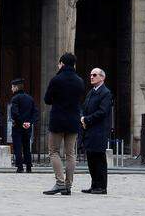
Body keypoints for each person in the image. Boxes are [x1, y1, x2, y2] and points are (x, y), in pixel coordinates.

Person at [43, 53, 84, 196]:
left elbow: (47, 99)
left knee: (53, 151)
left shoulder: (56, 80)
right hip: (73, 120)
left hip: (58, 120)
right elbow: (80, 99)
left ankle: (60, 182)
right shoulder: (79, 81)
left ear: (62, 63)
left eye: (59, 63)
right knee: (70, 154)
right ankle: (68, 185)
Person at [81, 68, 113, 195]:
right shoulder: (91, 92)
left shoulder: (105, 93)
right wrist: (83, 118)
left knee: (99, 159)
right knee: (91, 159)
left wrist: (87, 119)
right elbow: (85, 107)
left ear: (102, 77)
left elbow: (102, 112)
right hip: (89, 130)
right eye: (90, 75)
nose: (91, 77)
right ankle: (94, 185)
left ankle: (102, 186)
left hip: (99, 130)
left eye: (94, 75)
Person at [10, 78, 39, 173]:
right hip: (27, 127)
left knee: (18, 147)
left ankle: (19, 167)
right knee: (26, 147)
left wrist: (22, 122)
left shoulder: (15, 99)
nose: (11, 89)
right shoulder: (30, 98)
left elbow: (14, 113)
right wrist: (29, 122)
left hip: (18, 126)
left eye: (12, 87)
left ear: (16, 87)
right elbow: (35, 113)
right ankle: (29, 167)